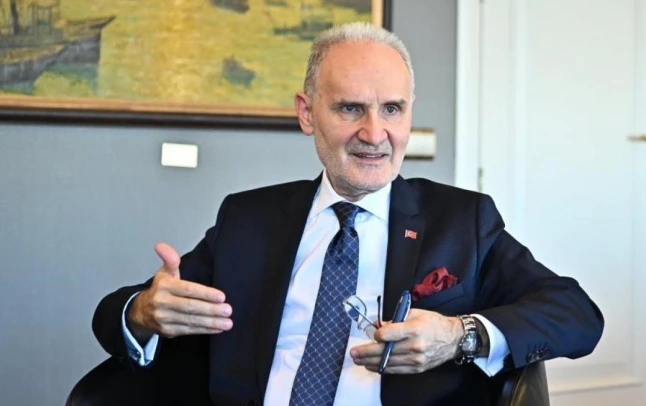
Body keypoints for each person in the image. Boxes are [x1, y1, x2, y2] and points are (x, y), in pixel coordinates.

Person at [92, 22, 604, 406]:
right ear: (306, 112)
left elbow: (576, 313)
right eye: (350, 108)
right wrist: (143, 311)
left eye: (392, 109)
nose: (375, 134)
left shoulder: (461, 220)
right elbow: (124, 313)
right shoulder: (248, 218)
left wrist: (458, 335)